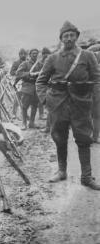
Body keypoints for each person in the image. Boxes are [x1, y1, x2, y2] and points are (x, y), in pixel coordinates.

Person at [36, 21, 100, 190]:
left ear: (77, 37)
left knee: (84, 139)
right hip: (58, 105)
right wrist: (45, 100)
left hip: (81, 104)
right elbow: (40, 82)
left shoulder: (88, 56)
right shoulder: (52, 58)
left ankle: (86, 176)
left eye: (72, 35)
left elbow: (96, 79)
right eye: (66, 36)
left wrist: (94, 101)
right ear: (61, 39)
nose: (69, 38)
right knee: (59, 137)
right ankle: (61, 171)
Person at [16, 48, 42, 130]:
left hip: (36, 87)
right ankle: (24, 123)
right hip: (27, 87)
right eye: (33, 53)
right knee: (24, 106)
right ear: (30, 55)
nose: (35, 55)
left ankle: (32, 122)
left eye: (36, 53)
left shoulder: (40, 64)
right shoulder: (25, 64)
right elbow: (18, 73)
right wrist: (30, 74)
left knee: (35, 105)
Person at [10, 48, 28, 118]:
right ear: (19, 55)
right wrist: (19, 73)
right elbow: (11, 72)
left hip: (26, 82)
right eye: (21, 54)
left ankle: (24, 114)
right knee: (17, 98)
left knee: (26, 99)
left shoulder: (28, 62)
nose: (23, 55)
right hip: (18, 83)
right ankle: (14, 113)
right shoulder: (16, 63)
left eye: (24, 54)